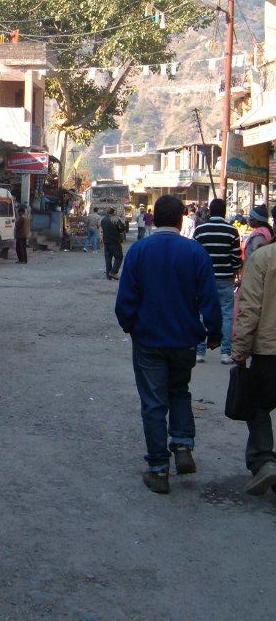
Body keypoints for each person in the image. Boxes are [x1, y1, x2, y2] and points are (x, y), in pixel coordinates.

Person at [115, 195, 222, 494]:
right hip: (184, 340)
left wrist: (131, 327)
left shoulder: (139, 251)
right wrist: (214, 332)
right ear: (180, 219)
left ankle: (159, 469)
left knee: (153, 402)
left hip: (148, 339)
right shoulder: (195, 252)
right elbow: (210, 298)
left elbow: (125, 301)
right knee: (179, 391)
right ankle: (183, 445)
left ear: (155, 218)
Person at [232, 239, 276, 494]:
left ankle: (264, 461)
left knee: (258, 406)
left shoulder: (263, 258)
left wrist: (240, 351)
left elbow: (249, 309)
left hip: (269, 352)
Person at [193, 198, 242, 365]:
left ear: (210, 212)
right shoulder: (232, 231)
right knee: (227, 315)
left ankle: (200, 352)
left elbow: (195, 255)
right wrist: (233, 272)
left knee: (201, 313)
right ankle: (225, 353)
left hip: (204, 280)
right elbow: (236, 258)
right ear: (224, 212)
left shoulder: (200, 230)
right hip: (225, 279)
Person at [100, 206, 127, 280]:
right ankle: (113, 272)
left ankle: (108, 275)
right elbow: (122, 229)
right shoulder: (115, 219)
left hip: (106, 241)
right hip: (115, 241)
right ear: (113, 212)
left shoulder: (103, 219)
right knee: (119, 257)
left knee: (108, 258)